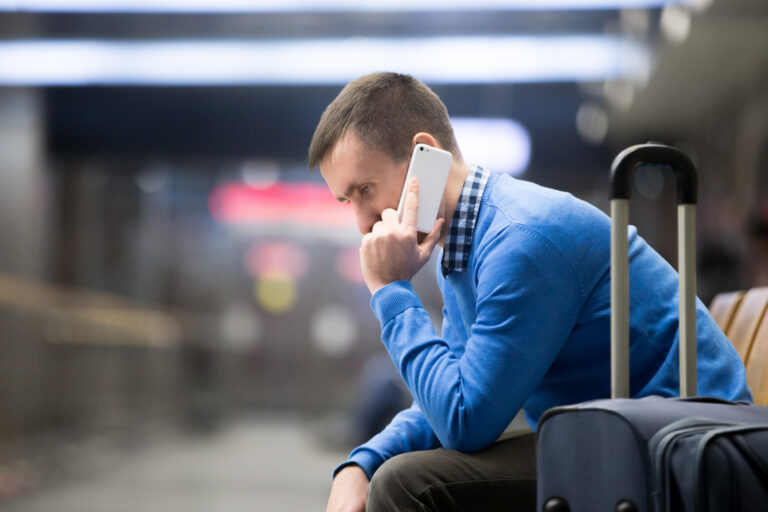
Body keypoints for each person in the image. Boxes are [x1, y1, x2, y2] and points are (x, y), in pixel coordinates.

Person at [307, 72, 751, 512]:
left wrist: (391, 291)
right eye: (349, 200)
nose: (363, 222)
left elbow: (464, 420)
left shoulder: (521, 240)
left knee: (408, 484)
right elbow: (447, 395)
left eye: (366, 189)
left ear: (427, 154)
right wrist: (360, 463)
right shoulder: (466, 244)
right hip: (617, 432)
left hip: (683, 446)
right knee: (392, 472)